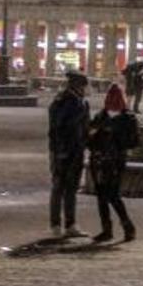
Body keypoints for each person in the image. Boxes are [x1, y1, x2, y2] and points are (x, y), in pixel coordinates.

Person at [87, 84, 138, 243]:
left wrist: (112, 136)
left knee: (112, 195)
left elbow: (132, 141)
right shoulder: (104, 116)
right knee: (103, 196)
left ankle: (125, 226)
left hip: (112, 161)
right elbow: (89, 139)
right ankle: (109, 229)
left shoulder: (124, 118)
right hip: (102, 160)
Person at [48, 71, 91, 238]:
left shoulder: (74, 101)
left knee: (71, 188)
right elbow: (59, 128)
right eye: (84, 86)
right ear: (77, 86)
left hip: (74, 149)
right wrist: (61, 151)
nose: (86, 89)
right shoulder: (68, 102)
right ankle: (57, 225)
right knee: (60, 187)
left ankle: (69, 224)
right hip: (66, 150)